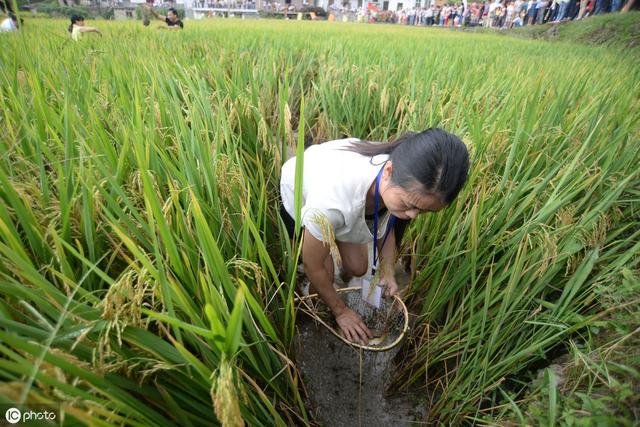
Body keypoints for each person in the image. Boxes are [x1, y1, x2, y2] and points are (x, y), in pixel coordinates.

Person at [279, 129, 469, 344]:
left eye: (425, 210)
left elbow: (387, 223)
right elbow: (314, 267)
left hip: (343, 196)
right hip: (299, 187)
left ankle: (338, 251)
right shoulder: (330, 205)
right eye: (409, 205)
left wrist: (387, 271)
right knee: (325, 274)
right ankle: (315, 304)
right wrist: (341, 311)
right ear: (387, 171)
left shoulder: (407, 171)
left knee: (358, 268)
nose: (413, 215)